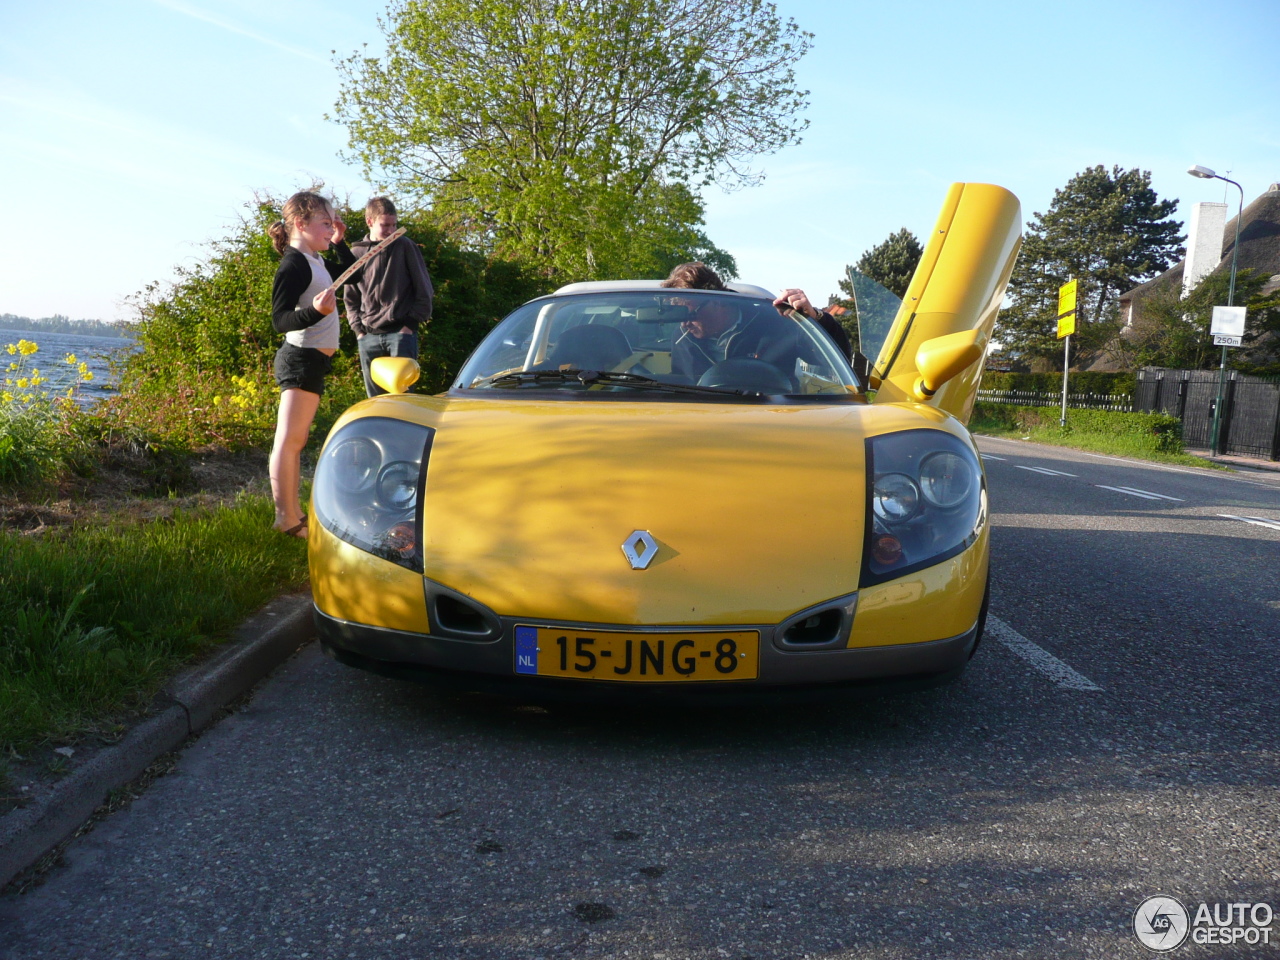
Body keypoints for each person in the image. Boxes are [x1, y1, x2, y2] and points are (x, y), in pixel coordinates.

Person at [267, 190, 355, 538]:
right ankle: (286, 520)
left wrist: (340, 242)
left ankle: (292, 515)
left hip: (312, 361)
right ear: (301, 224)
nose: (331, 228)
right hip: (300, 359)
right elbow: (280, 320)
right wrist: (314, 312)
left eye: (333, 223)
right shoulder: (294, 263)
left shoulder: (315, 259)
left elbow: (352, 275)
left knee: (296, 440)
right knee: (288, 441)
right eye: (325, 223)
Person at [661, 262, 852, 382]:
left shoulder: (776, 322)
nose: (684, 324)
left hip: (772, 418)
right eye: (680, 316)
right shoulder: (683, 338)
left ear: (716, 300)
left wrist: (816, 318)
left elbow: (837, 358)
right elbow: (683, 386)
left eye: (691, 314)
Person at [344, 197, 434, 397]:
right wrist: (359, 330)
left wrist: (408, 326)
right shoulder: (357, 252)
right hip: (368, 336)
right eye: (385, 225)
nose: (391, 230)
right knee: (375, 402)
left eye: (394, 224)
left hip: (400, 335)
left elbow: (425, 291)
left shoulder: (405, 246)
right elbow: (350, 298)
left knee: (403, 400)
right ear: (369, 221)